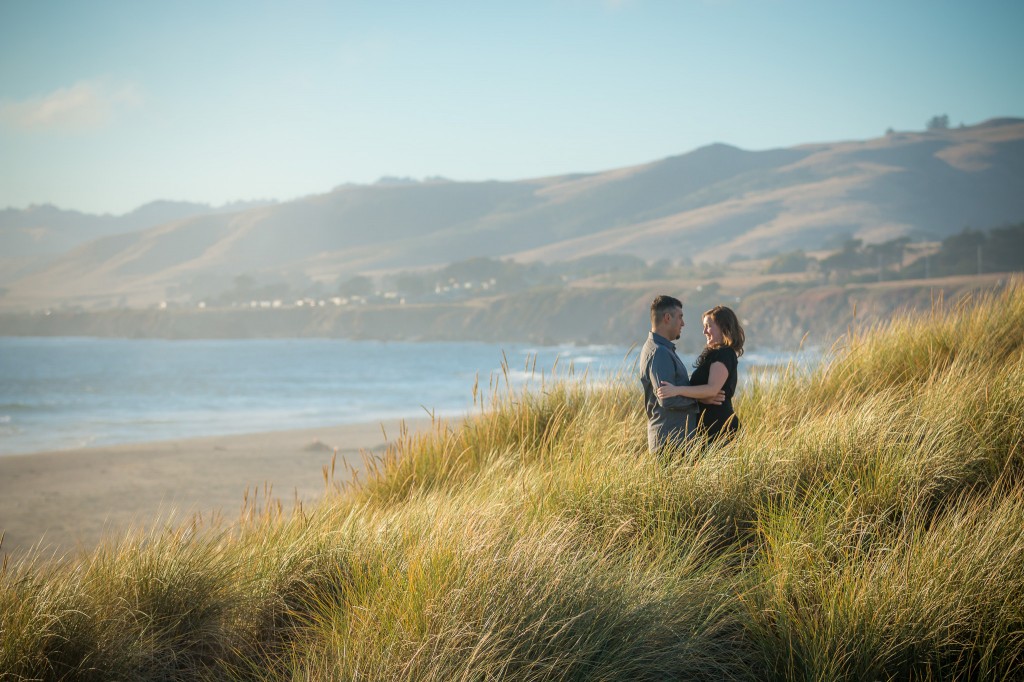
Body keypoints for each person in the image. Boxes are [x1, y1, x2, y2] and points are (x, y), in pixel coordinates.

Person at [639, 295, 724, 454]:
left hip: (676, 441)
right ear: (667, 318)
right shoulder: (659, 352)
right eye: (680, 317)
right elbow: (667, 398)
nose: (683, 323)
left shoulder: (662, 349)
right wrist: (701, 399)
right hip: (670, 444)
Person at [657, 305, 744, 441]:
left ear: (723, 327)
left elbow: (712, 390)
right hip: (709, 428)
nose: (704, 331)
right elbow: (708, 393)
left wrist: (676, 390)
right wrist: (700, 398)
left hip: (720, 428)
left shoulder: (724, 354)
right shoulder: (715, 354)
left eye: (708, 326)